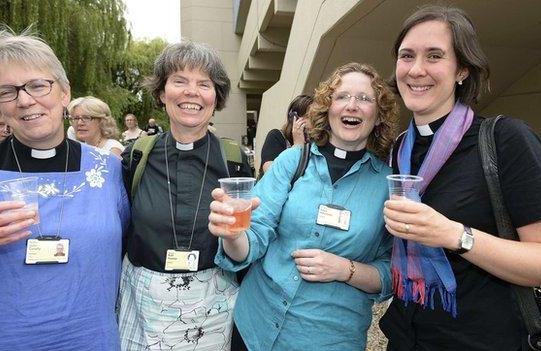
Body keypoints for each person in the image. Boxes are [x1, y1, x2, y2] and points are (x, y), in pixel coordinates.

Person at [378, 5, 541, 350]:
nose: (417, 69)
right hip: (409, 336)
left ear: (462, 70)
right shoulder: (399, 149)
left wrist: (454, 234)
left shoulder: (505, 139)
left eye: (434, 55)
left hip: (484, 339)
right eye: (407, 56)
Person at [209, 62, 398, 350]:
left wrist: (345, 269)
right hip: (255, 326)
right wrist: (234, 234)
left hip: (328, 339)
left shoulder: (387, 185)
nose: (352, 106)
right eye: (342, 96)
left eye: (364, 98)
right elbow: (254, 235)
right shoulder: (292, 161)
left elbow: (393, 272)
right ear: (327, 107)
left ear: (378, 113)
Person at [0, 29, 130, 350]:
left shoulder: (106, 170)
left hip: (90, 341)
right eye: (7, 91)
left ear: (64, 93)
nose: (25, 100)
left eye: (38, 85)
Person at [118, 40, 252, 351]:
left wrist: (236, 233)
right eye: (179, 81)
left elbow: (248, 242)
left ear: (215, 97)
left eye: (204, 84)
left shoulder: (234, 160)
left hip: (212, 306)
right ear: (162, 93)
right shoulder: (135, 157)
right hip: (143, 304)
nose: (191, 92)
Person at [259, 94, 313, 174]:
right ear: (294, 118)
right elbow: (270, 173)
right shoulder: (276, 136)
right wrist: (297, 146)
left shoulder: (316, 142)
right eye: (308, 116)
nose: (313, 122)